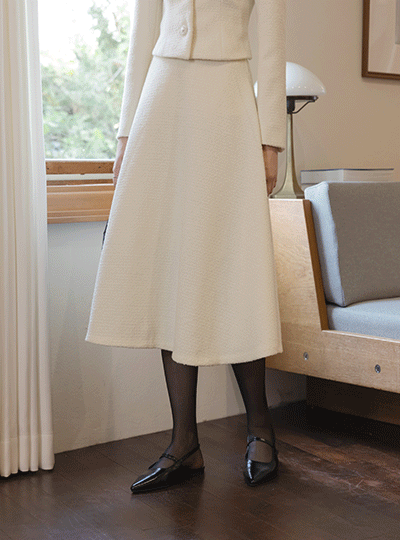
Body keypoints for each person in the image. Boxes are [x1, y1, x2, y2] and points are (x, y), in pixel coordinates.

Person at [86, 0, 286, 493]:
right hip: (162, 95)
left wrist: (271, 141)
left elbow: (274, 42)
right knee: (171, 262)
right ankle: (184, 444)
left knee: (234, 264)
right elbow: (141, 35)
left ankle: (260, 429)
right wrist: (125, 134)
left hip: (227, 97)